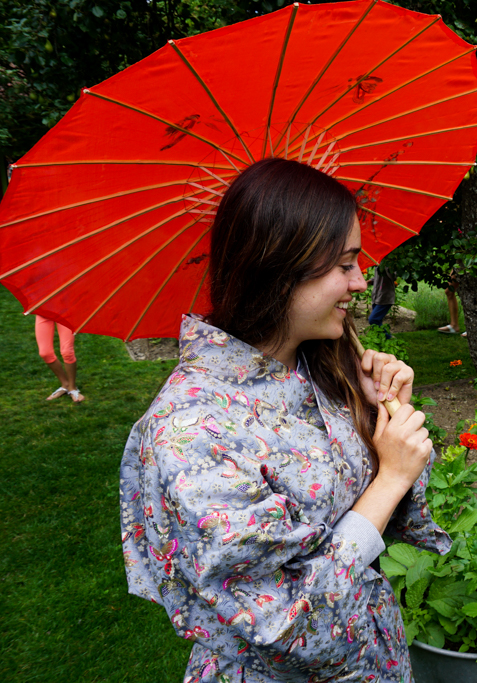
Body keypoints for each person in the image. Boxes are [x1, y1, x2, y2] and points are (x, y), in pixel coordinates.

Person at [119, 158, 447, 683]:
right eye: (344, 265)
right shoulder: (192, 434)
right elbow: (284, 629)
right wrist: (389, 480)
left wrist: (382, 415)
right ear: (276, 268)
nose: (361, 283)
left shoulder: (316, 368)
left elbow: (396, 521)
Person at [35, 315, 85, 402]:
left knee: (67, 352)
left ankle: (72, 387)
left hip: (66, 311)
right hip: (43, 312)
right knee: (45, 353)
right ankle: (65, 384)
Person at [367, 263, 396, 338]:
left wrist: (386, 266)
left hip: (385, 297)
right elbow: (378, 278)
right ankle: (379, 339)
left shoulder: (390, 264)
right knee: (377, 322)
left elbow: (394, 277)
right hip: (376, 297)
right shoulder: (378, 264)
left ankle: (388, 337)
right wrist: (370, 281)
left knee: (373, 319)